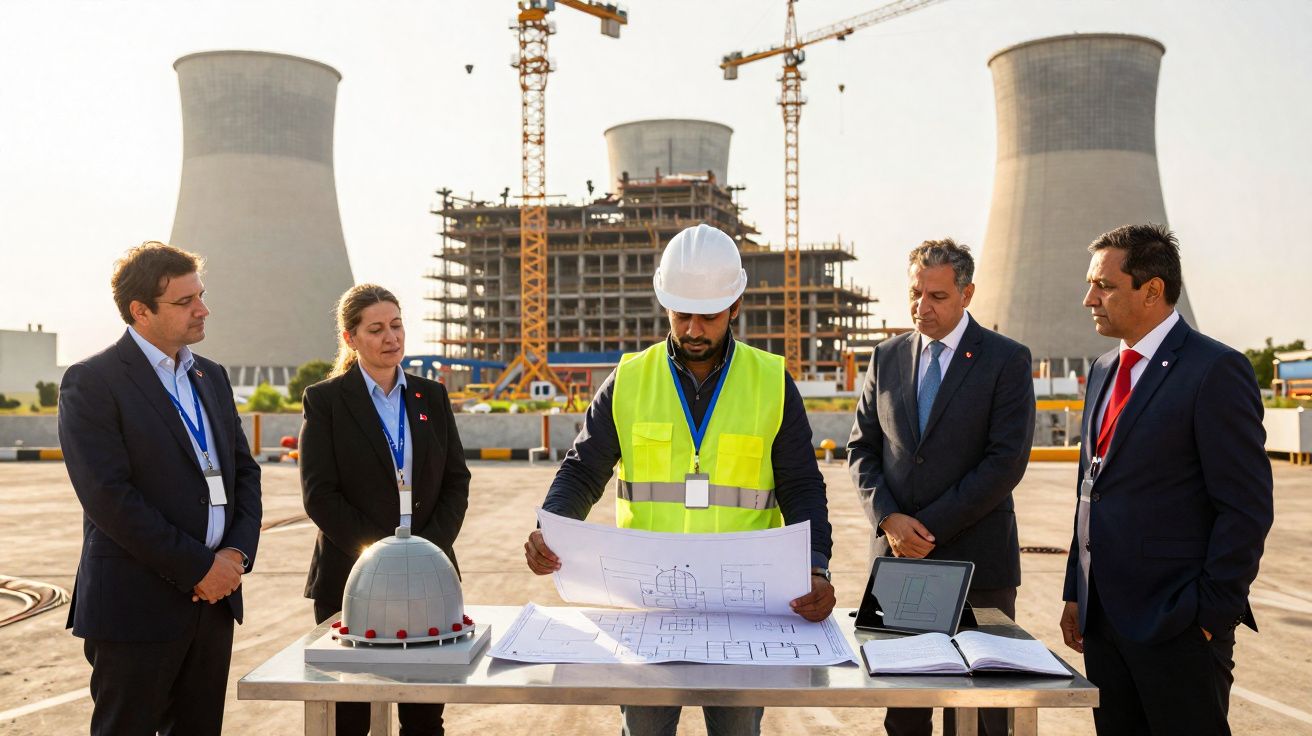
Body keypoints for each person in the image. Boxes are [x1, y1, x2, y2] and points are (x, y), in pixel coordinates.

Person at [523, 223, 835, 736]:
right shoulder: (629, 379)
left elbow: (802, 487)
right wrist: (550, 528)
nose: (693, 329)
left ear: (735, 306)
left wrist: (817, 568)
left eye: (707, 316)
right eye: (681, 314)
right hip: (648, 603)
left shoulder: (771, 382)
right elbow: (583, 470)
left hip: (744, 604)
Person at [1059, 224, 1273, 735]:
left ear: (1152, 290)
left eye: (1105, 285)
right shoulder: (1105, 369)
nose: (1089, 298)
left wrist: (1208, 615)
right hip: (1103, 622)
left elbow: (1246, 507)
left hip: (1177, 624)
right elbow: (1093, 490)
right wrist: (1076, 591)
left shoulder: (1214, 370)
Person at [58, 242, 262, 736]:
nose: (203, 309)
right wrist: (198, 567)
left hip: (214, 601)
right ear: (140, 310)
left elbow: (244, 474)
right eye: (185, 301)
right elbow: (109, 497)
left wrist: (233, 555)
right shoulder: (93, 382)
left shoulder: (209, 376)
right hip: (136, 606)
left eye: (201, 295)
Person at [847, 238, 1034, 736]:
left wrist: (926, 527)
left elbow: (1006, 462)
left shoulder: (1005, 360)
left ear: (967, 294)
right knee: (904, 712)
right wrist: (888, 519)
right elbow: (861, 449)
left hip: (979, 566)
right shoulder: (886, 357)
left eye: (937, 296)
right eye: (915, 293)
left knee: (983, 715)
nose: (921, 307)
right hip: (899, 567)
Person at [300, 284, 471, 736]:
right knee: (350, 714)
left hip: (429, 577)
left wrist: (424, 551)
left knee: (424, 717)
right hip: (350, 577)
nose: (390, 337)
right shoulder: (327, 402)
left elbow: (457, 480)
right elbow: (320, 495)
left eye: (396, 325)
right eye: (376, 329)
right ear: (350, 338)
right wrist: (382, 556)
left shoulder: (431, 396)